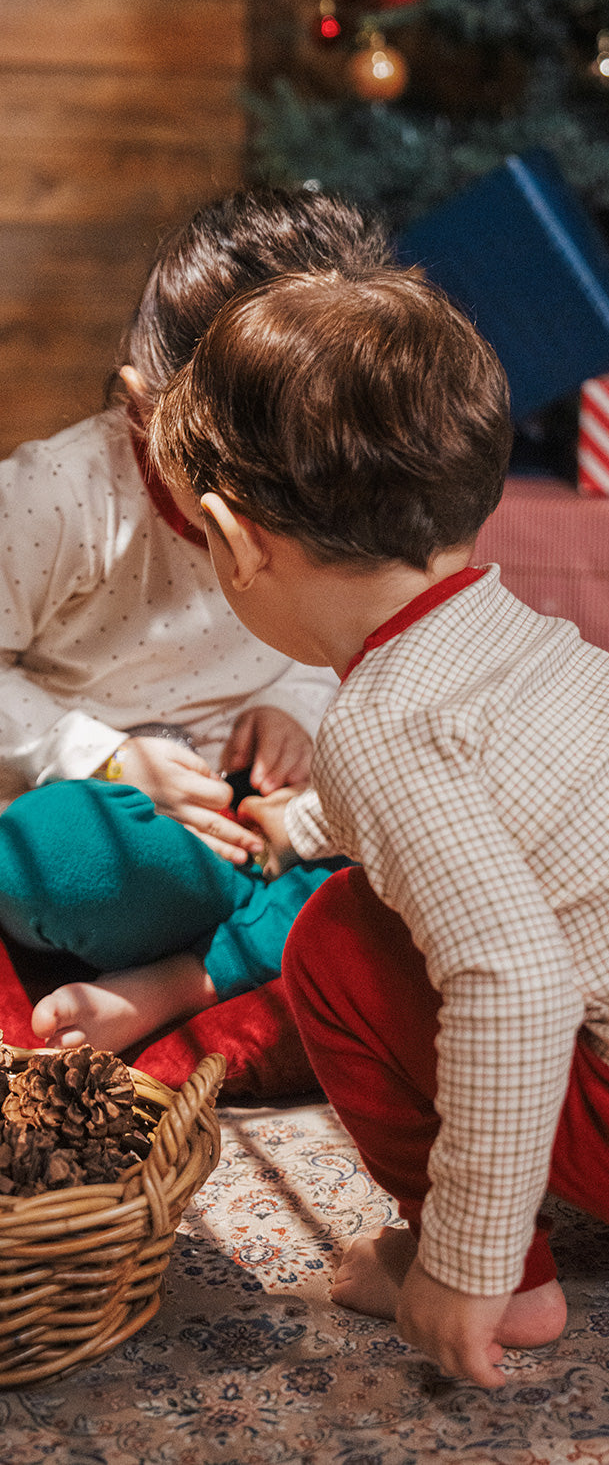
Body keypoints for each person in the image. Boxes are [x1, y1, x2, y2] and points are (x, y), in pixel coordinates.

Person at [146, 265, 609, 1391]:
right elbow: (448, 800)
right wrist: (296, 825)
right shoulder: (513, 638)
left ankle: (514, 1277)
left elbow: (517, 985)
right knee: (395, 892)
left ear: (233, 541)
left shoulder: (385, 728)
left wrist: (467, 1262)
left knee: (337, 946)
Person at [0, 186, 389, 1053]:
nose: (257, 519)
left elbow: (339, 641)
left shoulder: (319, 473)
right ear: (144, 406)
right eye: (230, 474)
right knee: (48, 856)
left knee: (437, 822)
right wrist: (104, 755)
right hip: (125, 817)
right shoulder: (60, 494)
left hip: (274, 812)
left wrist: (295, 706)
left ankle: (198, 963)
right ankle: (271, 931)